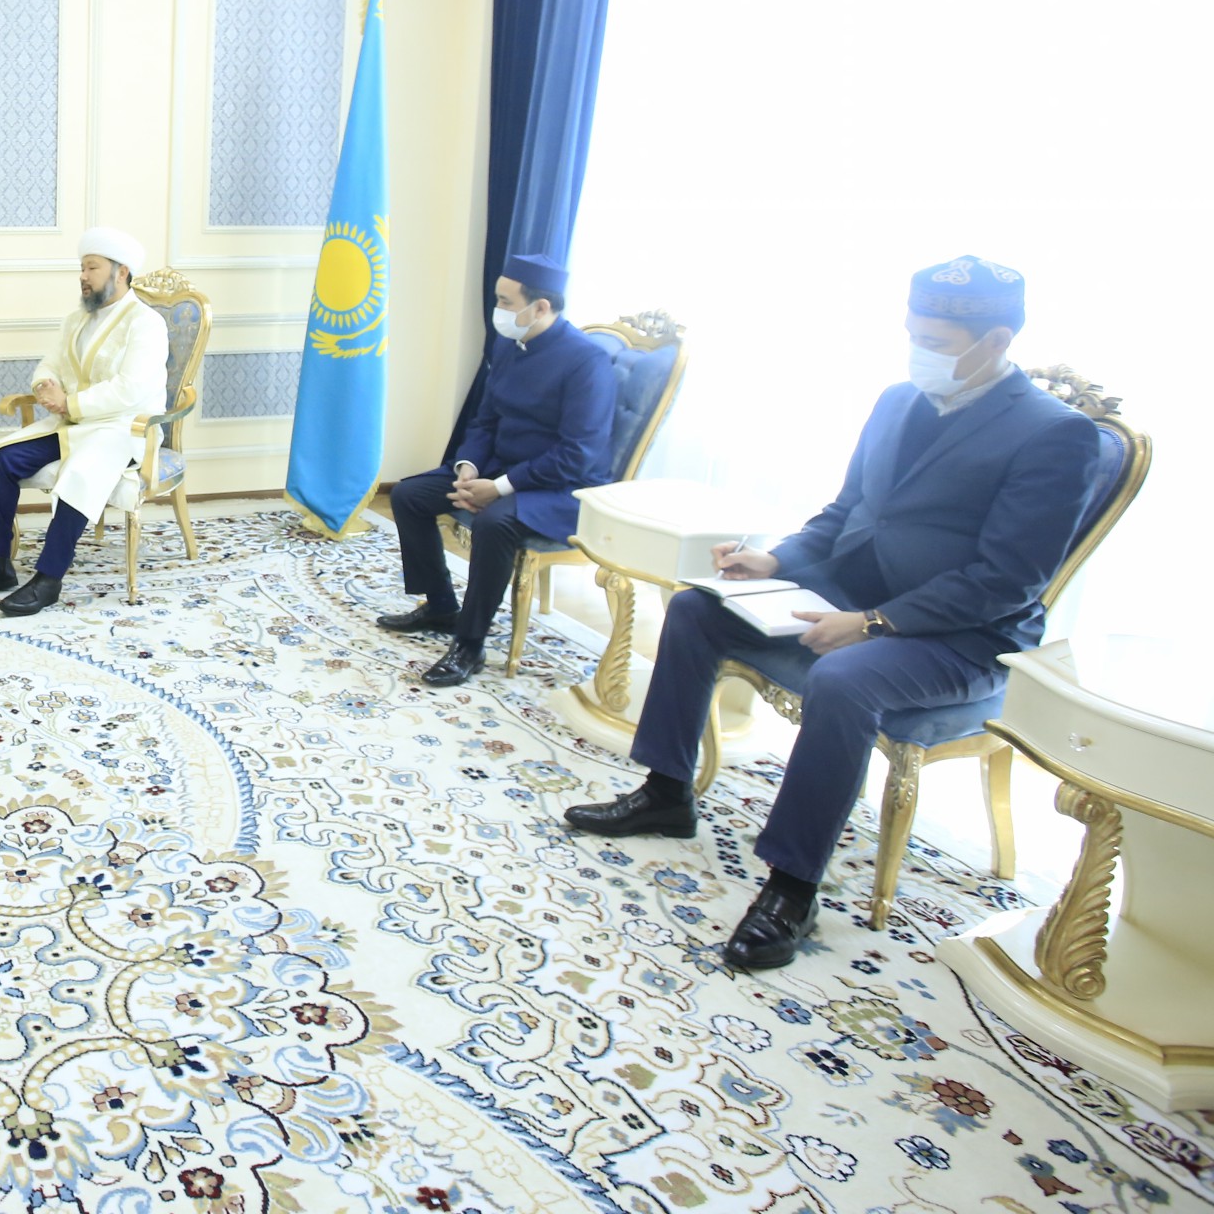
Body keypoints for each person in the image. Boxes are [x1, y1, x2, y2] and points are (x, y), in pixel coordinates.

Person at [565, 256, 1100, 971]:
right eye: (913, 335)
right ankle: (666, 791)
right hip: (849, 591)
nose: (918, 353)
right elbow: (847, 510)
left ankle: (793, 886)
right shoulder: (898, 399)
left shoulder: (1056, 435)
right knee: (697, 609)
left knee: (845, 680)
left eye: (935, 343)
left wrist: (875, 622)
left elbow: (1007, 581)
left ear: (997, 341)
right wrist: (777, 561)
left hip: (962, 636)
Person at [381, 254, 616, 686]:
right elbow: (485, 420)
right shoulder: (509, 345)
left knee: (494, 523)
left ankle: (470, 644)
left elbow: (579, 453)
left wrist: (501, 487)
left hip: (562, 489)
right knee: (409, 495)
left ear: (540, 307)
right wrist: (468, 469)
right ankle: (441, 607)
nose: (498, 310)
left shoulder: (587, 361)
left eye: (505, 301)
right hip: (499, 471)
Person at [0, 229, 169, 616]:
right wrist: (45, 386)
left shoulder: (146, 323)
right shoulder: (76, 319)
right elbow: (49, 364)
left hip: (121, 428)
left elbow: (130, 389)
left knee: (81, 472)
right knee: (2, 459)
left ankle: (48, 579)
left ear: (121, 272)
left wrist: (69, 402)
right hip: (72, 424)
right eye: (82, 268)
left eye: (92, 268)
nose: (83, 276)